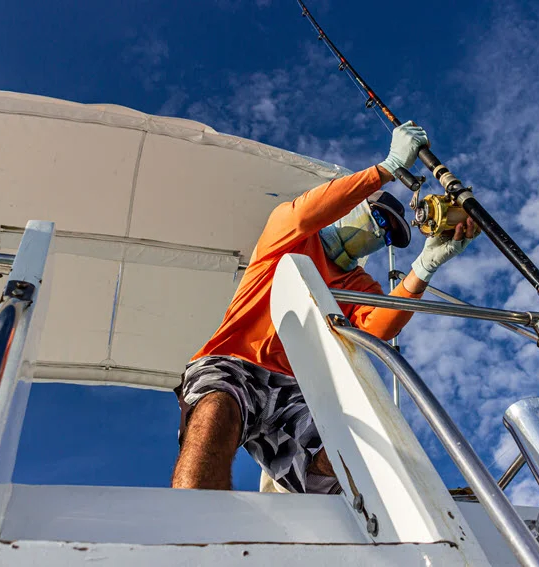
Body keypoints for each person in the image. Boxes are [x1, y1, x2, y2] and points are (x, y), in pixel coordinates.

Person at [172, 121, 478, 494]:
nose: (379, 232)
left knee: (340, 455)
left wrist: (426, 265)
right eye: (377, 217)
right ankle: (196, 521)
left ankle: (404, 524)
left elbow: (378, 330)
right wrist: (387, 168)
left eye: (386, 234)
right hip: (234, 362)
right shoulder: (290, 237)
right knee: (216, 408)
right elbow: (304, 214)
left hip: (295, 390)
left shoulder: (359, 287)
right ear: (352, 207)